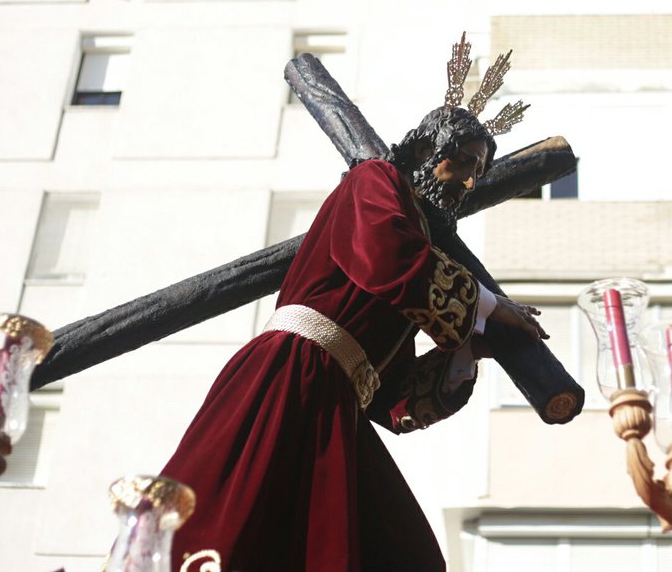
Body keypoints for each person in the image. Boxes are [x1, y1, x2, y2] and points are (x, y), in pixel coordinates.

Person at [161, 38, 546, 572]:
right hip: (290, 373)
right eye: (460, 164)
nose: (467, 183)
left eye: (477, 173)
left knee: (399, 550)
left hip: (336, 399)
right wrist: (488, 306)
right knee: (244, 523)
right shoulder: (375, 181)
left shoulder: (419, 253)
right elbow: (386, 257)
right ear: (421, 152)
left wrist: (466, 351)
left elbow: (390, 397)